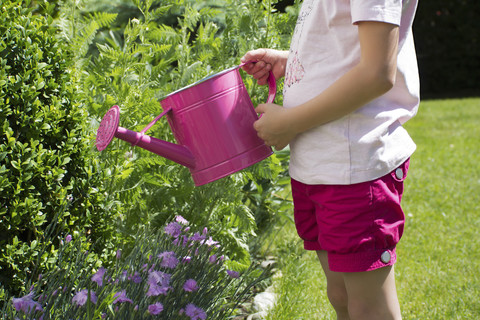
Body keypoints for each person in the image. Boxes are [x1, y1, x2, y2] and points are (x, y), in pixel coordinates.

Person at [241, 1, 419, 319]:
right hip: (322, 162)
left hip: (353, 165)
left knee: (368, 308)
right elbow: (347, 43)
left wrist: (290, 122)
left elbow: (377, 73)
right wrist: (294, 62)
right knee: (341, 295)